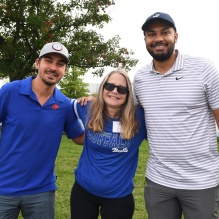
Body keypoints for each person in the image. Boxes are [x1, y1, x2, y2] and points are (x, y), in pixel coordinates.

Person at [133, 12, 219, 219]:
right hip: (158, 181)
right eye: (151, 34)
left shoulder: (204, 69)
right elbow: (127, 114)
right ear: (145, 40)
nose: (158, 38)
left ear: (176, 36)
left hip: (201, 181)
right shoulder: (140, 78)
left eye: (165, 32)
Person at [0, 42, 84, 219]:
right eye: (48, 61)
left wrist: (102, 110)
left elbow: (80, 138)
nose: (53, 68)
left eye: (60, 64)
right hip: (3, 187)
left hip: (41, 191)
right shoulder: (10, 91)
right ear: (37, 63)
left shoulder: (65, 105)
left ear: (65, 70)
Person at [70, 69, 147, 219]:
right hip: (83, 192)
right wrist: (75, 133)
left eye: (121, 89)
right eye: (110, 86)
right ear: (103, 87)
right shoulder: (86, 108)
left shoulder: (141, 118)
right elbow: (60, 108)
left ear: (128, 94)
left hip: (119, 197)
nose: (115, 91)